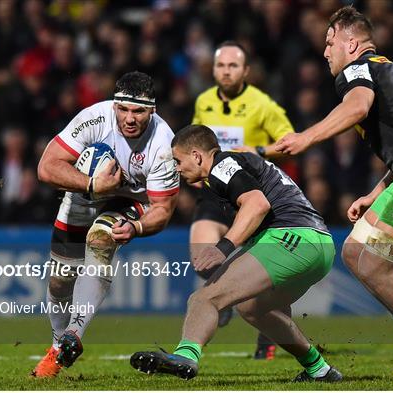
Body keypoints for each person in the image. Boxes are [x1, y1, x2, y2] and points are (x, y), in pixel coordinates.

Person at [276, 6, 393, 380]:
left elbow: (357, 106)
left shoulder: (358, 69)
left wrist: (306, 137)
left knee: (376, 264)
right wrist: (374, 193)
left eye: (330, 42)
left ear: (351, 42)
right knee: (354, 253)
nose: (325, 51)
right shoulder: (381, 68)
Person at [129, 124, 342, 383]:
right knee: (253, 308)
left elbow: (257, 204)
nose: (177, 168)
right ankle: (319, 370)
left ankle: (186, 355)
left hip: (289, 238)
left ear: (197, 156)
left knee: (204, 299)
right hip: (319, 246)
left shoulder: (222, 164)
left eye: (178, 161)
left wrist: (224, 247)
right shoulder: (233, 167)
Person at [32, 71, 179, 377]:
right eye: (123, 109)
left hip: (131, 202)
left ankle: (73, 335)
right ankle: (58, 346)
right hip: (86, 193)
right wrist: (90, 184)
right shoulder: (94, 118)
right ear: (114, 105)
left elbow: (163, 209)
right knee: (60, 280)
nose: (129, 118)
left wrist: (137, 228)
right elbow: (46, 167)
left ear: (152, 110)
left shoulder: (164, 144)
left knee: (101, 238)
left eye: (138, 111)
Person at [191, 40, 295, 360]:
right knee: (201, 253)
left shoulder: (262, 104)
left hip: (250, 193)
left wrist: (259, 152)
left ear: (246, 71)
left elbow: (289, 141)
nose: (226, 71)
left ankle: (269, 342)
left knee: (268, 277)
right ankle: (220, 299)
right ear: (213, 70)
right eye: (221, 65)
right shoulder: (204, 102)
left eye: (233, 66)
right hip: (214, 192)